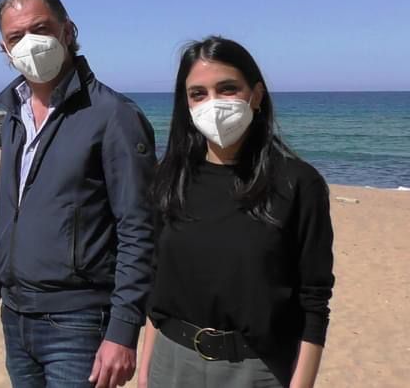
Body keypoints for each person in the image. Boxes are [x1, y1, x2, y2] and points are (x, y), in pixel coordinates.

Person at [0, 0, 156, 388]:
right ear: (4, 49)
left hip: (79, 324)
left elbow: (139, 230)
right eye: (16, 36)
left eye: (41, 29)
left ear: (68, 31)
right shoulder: (13, 117)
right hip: (17, 320)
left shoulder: (113, 116)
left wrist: (123, 332)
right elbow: (16, 223)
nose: (30, 43)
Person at [139, 37, 334, 388]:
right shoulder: (168, 178)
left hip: (256, 368)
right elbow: (157, 282)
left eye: (227, 89)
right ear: (186, 104)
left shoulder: (298, 184)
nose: (213, 103)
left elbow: (314, 302)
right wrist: (146, 370)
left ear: (256, 95)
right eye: (198, 94)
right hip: (170, 362)